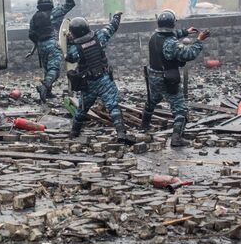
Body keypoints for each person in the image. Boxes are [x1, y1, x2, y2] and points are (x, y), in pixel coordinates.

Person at [141, 10, 209, 147]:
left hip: (153, 77)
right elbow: (188, 54)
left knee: (152, 101)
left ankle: (144, 126)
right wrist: (199, 40)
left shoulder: (154, 37)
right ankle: (176, 138)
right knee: (180, 109)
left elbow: (169, 36)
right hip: (167, 80)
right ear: (172, 24)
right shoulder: (171, 43)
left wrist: (185, 32)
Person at [65, 13, 135, 145]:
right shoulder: (99, 37)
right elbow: (111, 28)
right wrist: (116, 17)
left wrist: (69, 42)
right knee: (113, 106)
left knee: (82, 109)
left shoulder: (76, 48)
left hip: (88, 83)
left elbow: (70, 58)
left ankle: (74, 133)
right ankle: (121, 133)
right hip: (104, 79)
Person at [28, 0, 75, 103]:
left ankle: (48, 92)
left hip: (41, 45)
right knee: (54, 70)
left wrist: (36, 46)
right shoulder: (55, 12)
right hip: (53, 43)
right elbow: (70, 5)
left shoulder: (34, 17)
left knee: (47, 69)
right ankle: (44, 87)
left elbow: (31, 34)